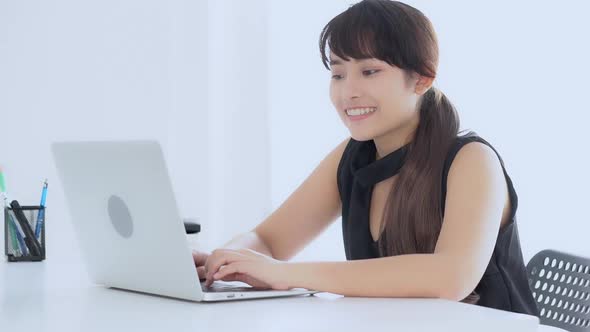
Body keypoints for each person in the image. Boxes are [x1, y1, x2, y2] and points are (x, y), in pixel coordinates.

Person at [192, 0, 538, 316]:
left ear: (422, 78)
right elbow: (269, 240)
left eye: (370, 71)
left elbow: (450, 277)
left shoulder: (472, 160)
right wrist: (226, 261)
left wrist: (284, 275)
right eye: (338, 74)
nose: (348, 91)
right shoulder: (355, 156)